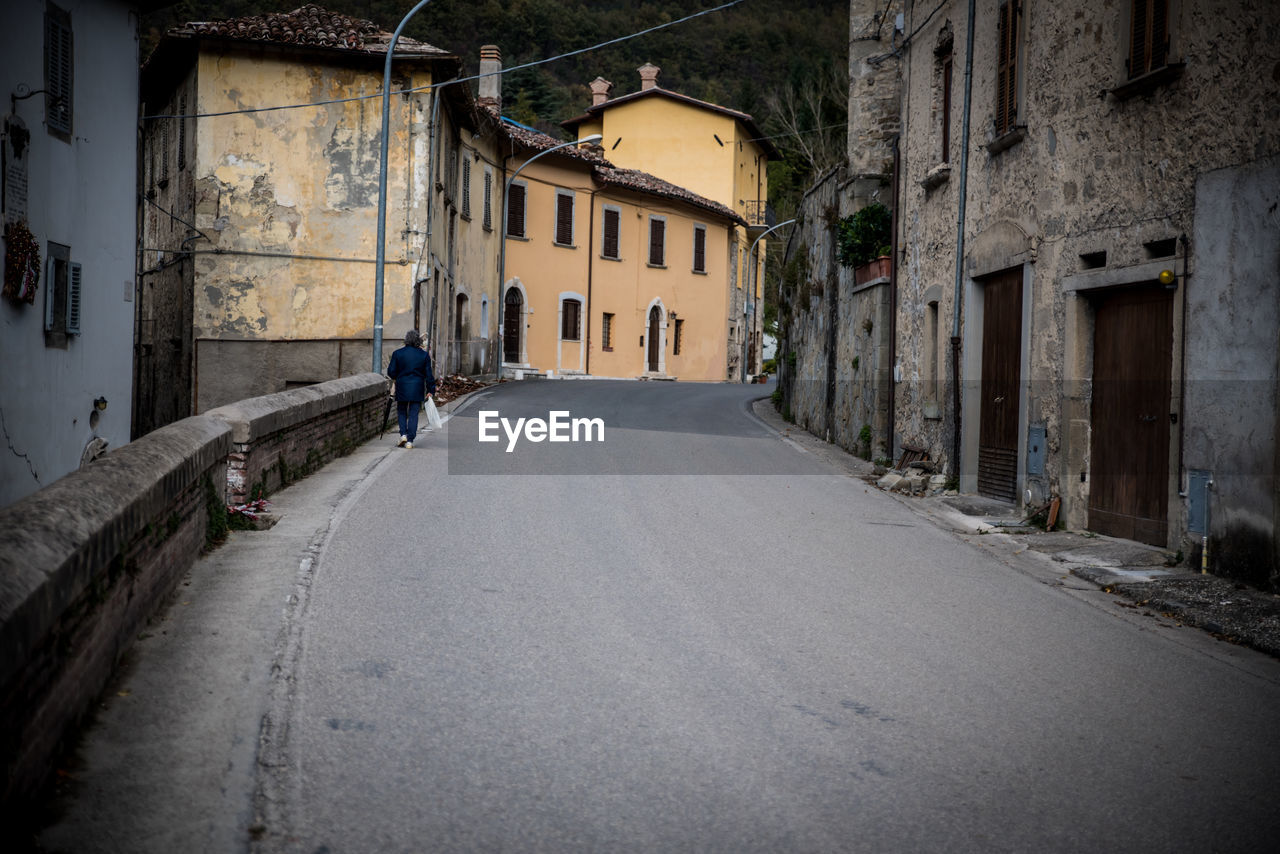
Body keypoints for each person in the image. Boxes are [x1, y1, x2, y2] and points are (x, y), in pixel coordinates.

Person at [386, 329, 436, 449]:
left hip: (402, 386)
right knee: (414, 414)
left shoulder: (397, 353)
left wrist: (399, 375)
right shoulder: (424, 355)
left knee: (402, 411)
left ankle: (403, 434)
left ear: (406, 340)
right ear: (418, 341)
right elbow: (429, 375)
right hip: (417, 387)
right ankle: (410, 440)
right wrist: (431, 390)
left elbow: (391, 372)